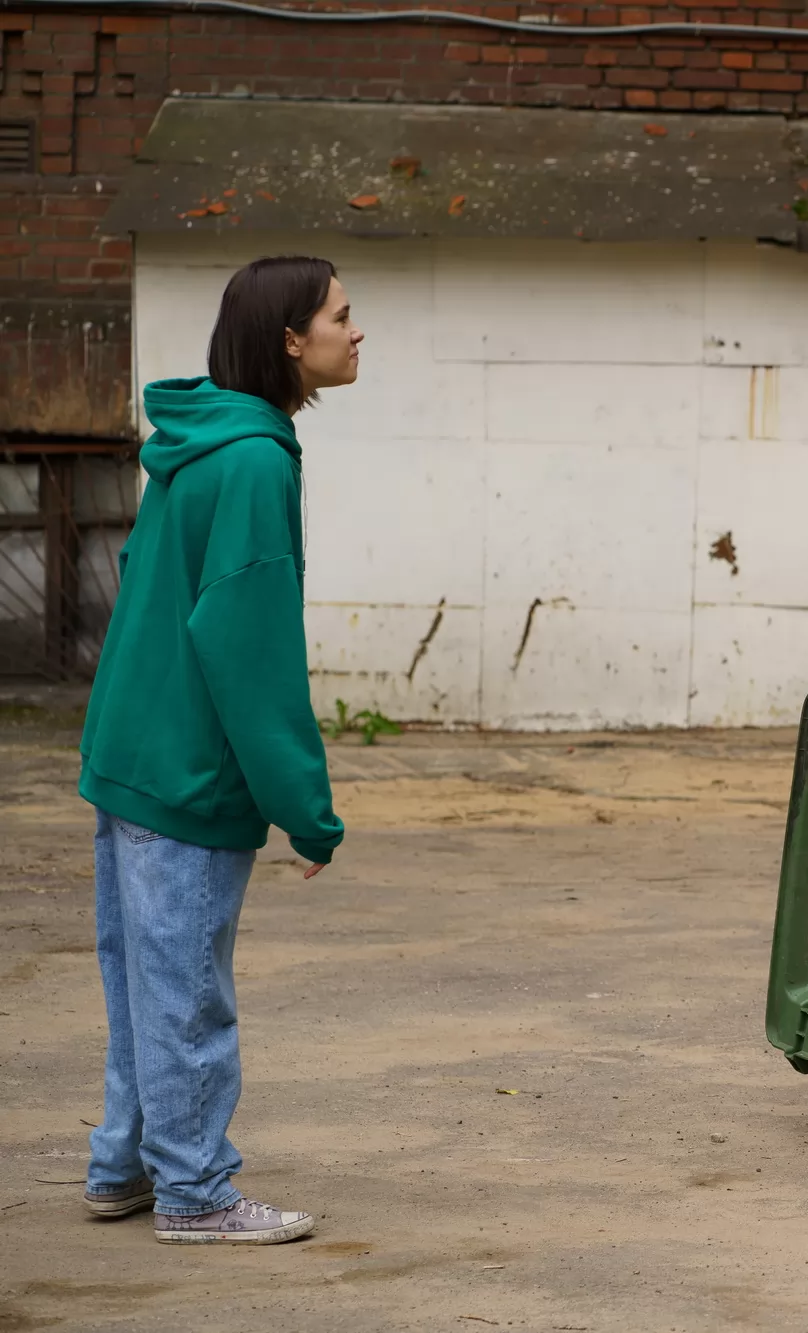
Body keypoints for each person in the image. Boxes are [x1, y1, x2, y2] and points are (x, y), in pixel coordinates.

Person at [77, 256, 360, 1245]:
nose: (355, 332)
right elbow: (249, 647)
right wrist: (306, 807)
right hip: (188, 771)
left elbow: (154, 590)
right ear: (290, 338)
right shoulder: (253, 462)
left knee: (145, 983)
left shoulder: (201, 444)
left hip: (133, 753)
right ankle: (195, 1192)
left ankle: (123, 1164)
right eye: (341, 315)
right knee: (188, 992)